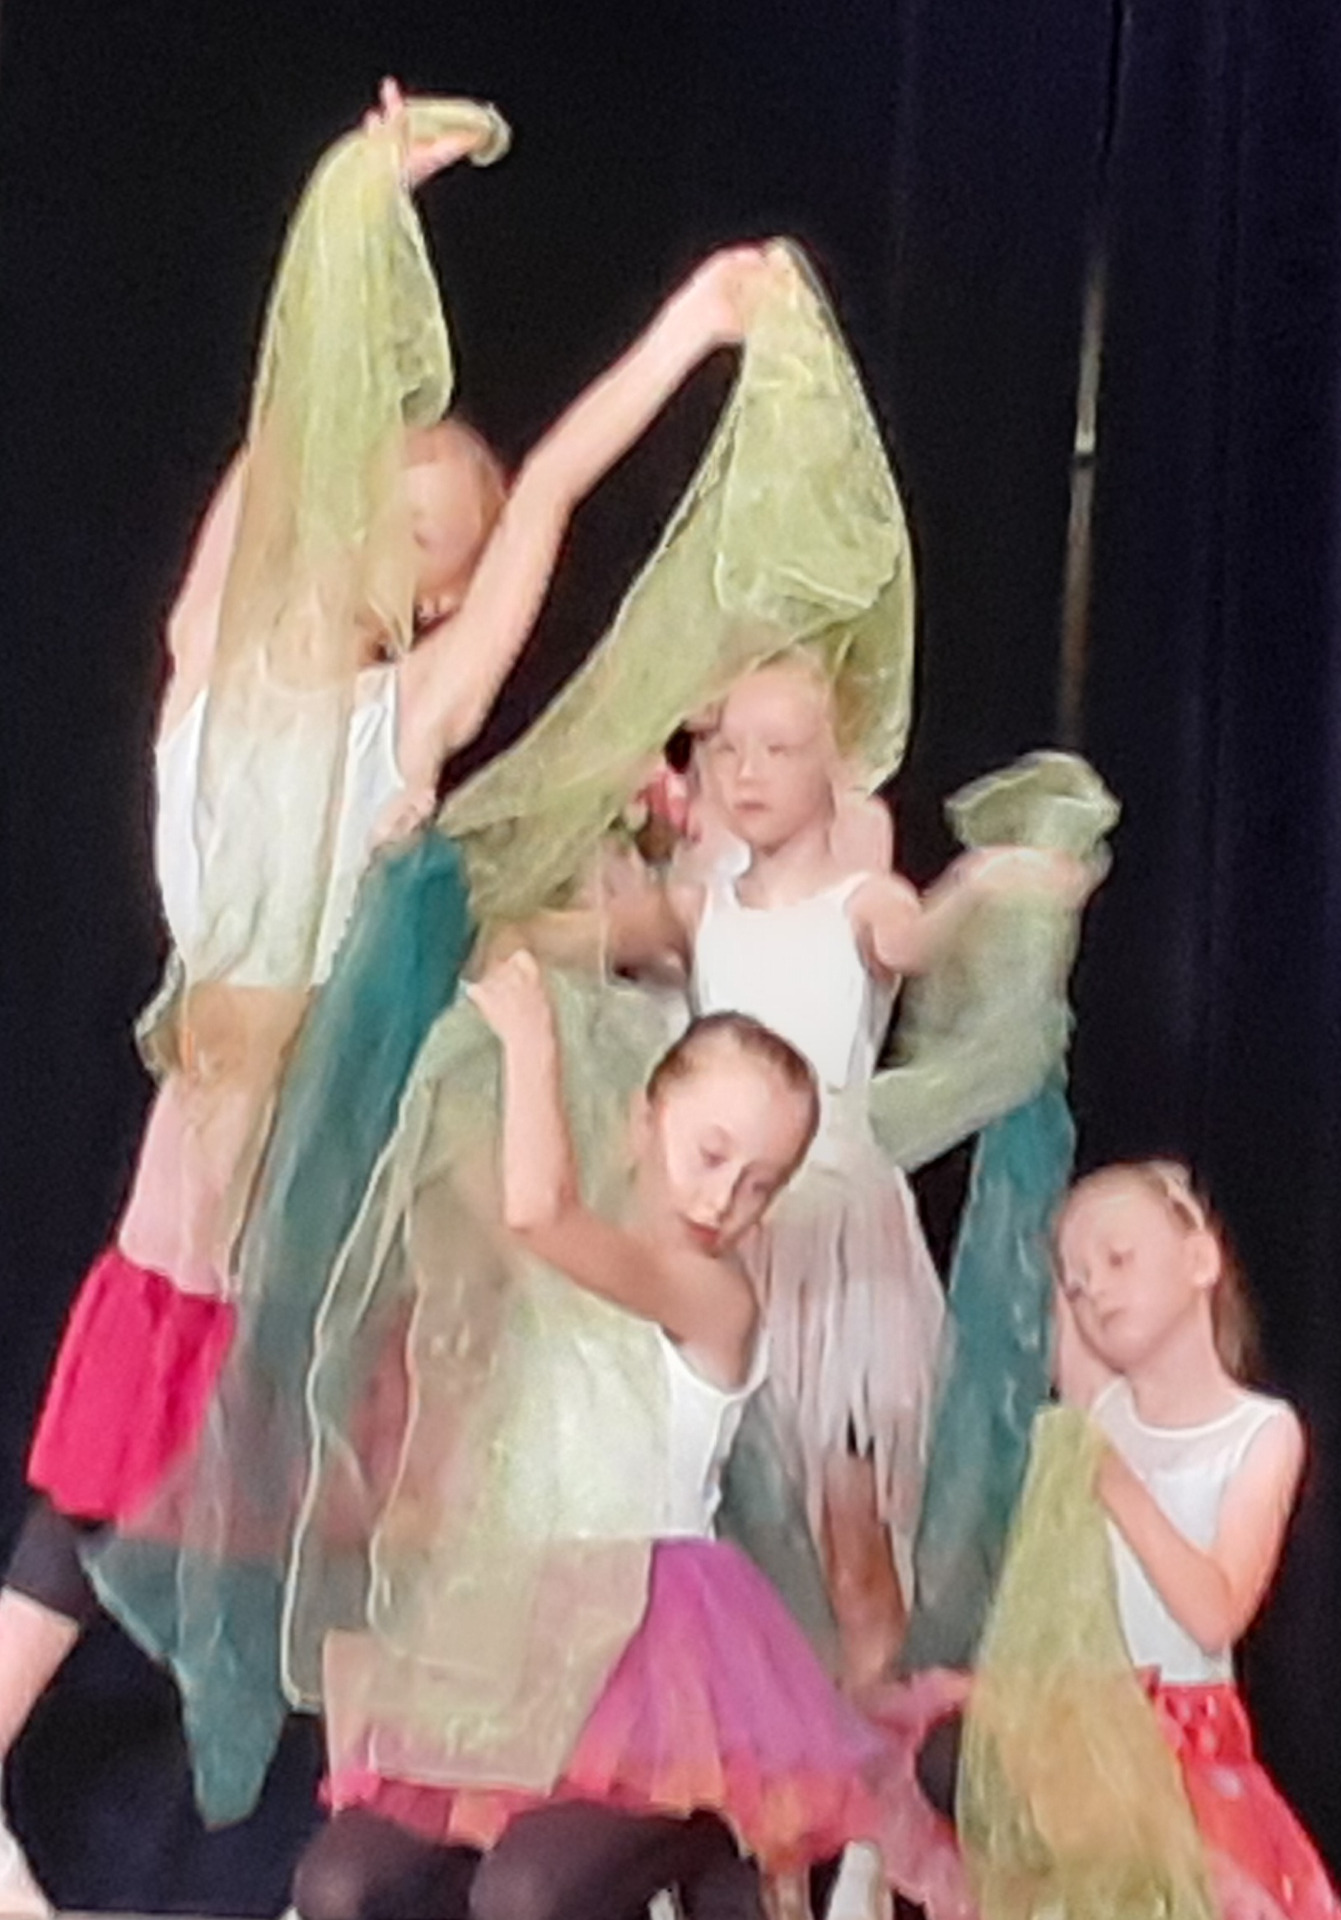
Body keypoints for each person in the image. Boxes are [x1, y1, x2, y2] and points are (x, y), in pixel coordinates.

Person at [0, 74, 779, 1912]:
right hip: (205, 1177)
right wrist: (358, 205)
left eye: (424, 537)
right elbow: (294, 422)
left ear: (439, 599)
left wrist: (687, 328)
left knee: (350, 1502)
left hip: (307, 1195)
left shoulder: (405, 725)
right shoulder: (209, 656)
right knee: (120, 1468)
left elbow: (556, 491)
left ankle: (466, 1839)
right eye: (380, 500)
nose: (378, 528)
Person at [516, 649, 1087, 1696]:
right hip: (725, 1242)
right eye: (729, 749)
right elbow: (573, 938)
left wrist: (995, 877)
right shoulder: (700, 909)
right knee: (731, 1535)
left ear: (836, 765)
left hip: (836, 1257)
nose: (747, 773)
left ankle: (869, 1780)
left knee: (852, 1546)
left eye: (777, 750)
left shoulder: (862, 903)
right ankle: (765, 1764)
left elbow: (919, 939)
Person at [290, 951, 901, 1920]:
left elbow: (540, 1210)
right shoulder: (568, 1269)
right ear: (639, 1122)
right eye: (709, 1156)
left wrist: (531, 1040)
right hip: (523, 1627)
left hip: (656, 1649)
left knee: (525, 1896)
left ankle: (711, 1814)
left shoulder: (712, 1296)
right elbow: (490, 1204)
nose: (722, 1202)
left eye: (759, 1185)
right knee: (340, 1888)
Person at [887, 1160, 1341, 1920]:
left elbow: (1215, 1614)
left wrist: (1116, 1482)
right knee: (951, 1757)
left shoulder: (1259, 1431)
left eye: (1119, 1260)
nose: (1093, 1288)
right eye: (1077, 1285)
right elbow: (1059, 1296)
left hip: (1179, 1745)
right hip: (1084, 1732)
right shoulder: (1100, 1414)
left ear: (1199, 1260)